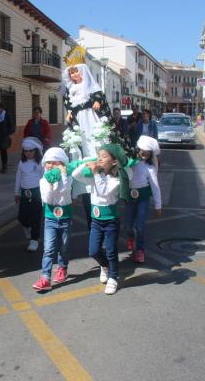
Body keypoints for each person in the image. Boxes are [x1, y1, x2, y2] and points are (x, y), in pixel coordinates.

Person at [62, 45, 120, 230]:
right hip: (80, 127)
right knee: (80, 149)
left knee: (97, 145)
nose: (74, 76)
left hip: (93, 124)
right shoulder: (70, 93)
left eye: (76, 72)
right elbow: (69, 107)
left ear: (83, 72)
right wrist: (69, 114)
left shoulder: (94, 90)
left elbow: (104, 109)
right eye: (71, 73)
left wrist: (98, 103)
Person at [73, 144, 128, 295]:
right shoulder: (97, 176)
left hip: (110, 220)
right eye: (99, 156)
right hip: (96, 220)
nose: (100, 159)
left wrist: (96, 172)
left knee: (111, 251)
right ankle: (105, 266)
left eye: (104, 157)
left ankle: (113, 278)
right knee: (93, 250)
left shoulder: (115, 180)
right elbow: (76, 175)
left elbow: (103, 191)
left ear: (114, 162)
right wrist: (84, 162)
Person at [32, 147, 72, 292]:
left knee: (64, 246)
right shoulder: (43, 180)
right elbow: (47, 198)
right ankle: (45, 277)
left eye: (54, 163)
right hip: (50, 218)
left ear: (62, 164)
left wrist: (63, 175)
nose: (50, 166)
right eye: (48, 163)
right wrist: (51, 183)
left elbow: (65, 190)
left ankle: (62, 268)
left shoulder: (67, 177)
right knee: (48, 248)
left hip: (65, 217)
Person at [125, 136, 162, 264]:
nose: (144, 153)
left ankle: (140, 249)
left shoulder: (150, 168)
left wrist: (158, 205)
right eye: (142, 150)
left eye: (148, 152)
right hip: (130, 197)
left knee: (140, 225)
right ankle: (130, 236)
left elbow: (155, 186)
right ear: (137, 150)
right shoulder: (130, 162)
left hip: (143, 199)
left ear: (151, 154)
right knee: (128, 225)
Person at [14, 137, 45, 252]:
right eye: (26, 151)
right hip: (24, 193)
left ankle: (34, 240)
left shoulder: (40, 163)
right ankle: (26, 227)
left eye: (30, 151)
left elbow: (44, 178)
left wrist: (45, 194)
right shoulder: (21, 162)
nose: (28, 153)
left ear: (36, 151)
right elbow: (18, 178)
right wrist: (16, 193)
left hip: (37, 193)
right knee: (22, 217)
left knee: (35, 218)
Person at [0, 102, 15, 173]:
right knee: (1, 151)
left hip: (5, 135)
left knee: (4, 150)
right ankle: (4, 165)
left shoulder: (7, 115)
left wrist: (10, 133)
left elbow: (11, 125)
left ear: (1, 108)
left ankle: (4, 166)